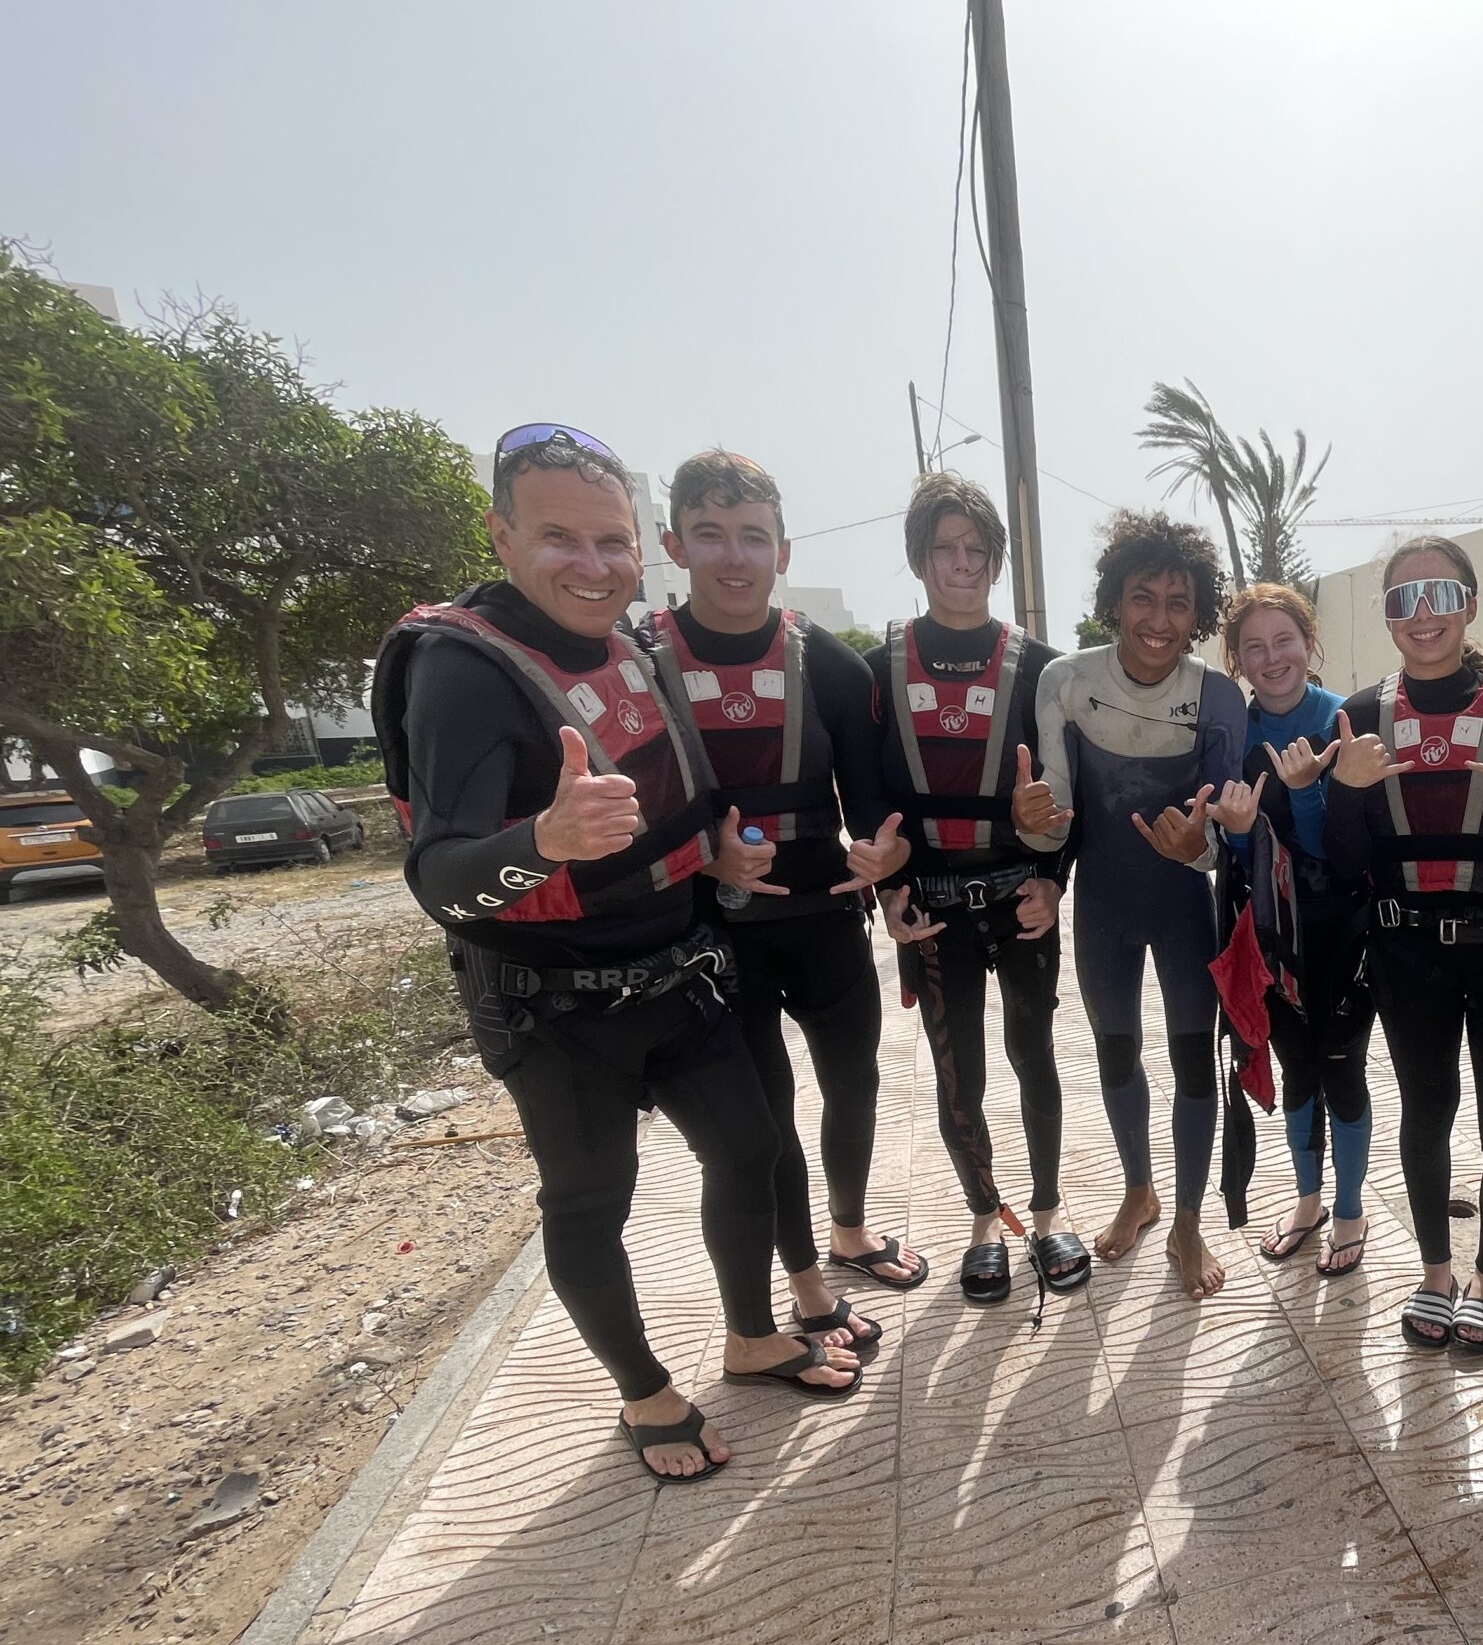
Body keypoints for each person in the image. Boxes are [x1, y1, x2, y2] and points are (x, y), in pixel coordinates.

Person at [371, 424, 857, 1486]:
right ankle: (645, 1393)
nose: (589, 566)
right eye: (558, 539)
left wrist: (717, 844)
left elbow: (684, 788)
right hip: (552, 1007)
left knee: (750, 1145)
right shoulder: (460, 668)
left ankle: (752, 1335)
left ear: (640, 550)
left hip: (680, 970)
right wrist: (540, 840)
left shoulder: (632, 648)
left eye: (608, 542)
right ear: (502, 537)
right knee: (592, 1200)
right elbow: (438, 878)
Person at [648, 449, 924, 1356]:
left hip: (823, 923)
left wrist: (886, 857)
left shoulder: (834, 668)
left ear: (784, 550)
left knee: (854, 1088)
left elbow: (875, 800)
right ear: (675, 544)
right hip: (715, 940)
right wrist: (704, 854)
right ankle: (805, 1283)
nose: (735, 558)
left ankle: (847, 1232)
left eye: (754, 538)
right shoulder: (644, 664)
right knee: (763, 1122)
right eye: (712, 536)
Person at [1323, 535, 1483, 1354]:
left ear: (1469, 603)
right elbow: (1350, 862)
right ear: (1389, 616)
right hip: (1410, 959)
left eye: (1440, 597)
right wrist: (1346, 796)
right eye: (1404, 601)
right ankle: (1436, 1272)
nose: (1423, 616)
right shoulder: (1359, 716)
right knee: (1426, 1115)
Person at [1014, 511, 1246, 1300]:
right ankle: (1139, 1189)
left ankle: (1186, 1218)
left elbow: (1224, 838)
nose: (1159, 619)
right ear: (1115, 597)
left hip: (1184, 910)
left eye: (1179, 603)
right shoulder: (1066, 682)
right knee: (1117, 1054)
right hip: (1104, 907)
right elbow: (1057, 814)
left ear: (1199, 612)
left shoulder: (1217, 696)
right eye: (1143, 597)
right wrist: (1033, 826)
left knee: (1189, 1063)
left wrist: (1201, 850)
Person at [870, 472, 1084, 1306]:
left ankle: (1048, 1206)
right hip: (931, 910)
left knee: (1033, 1056)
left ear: (996, 560)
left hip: (1018, 900)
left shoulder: (1040, 668)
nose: (961, 564)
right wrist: (883, 894)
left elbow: (1073, 794)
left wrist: (1054, 882)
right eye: (944, 548)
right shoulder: (877, 669)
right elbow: (863, 796)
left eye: (976, 550)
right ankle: (984, 1218)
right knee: (959, 1074)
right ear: (920, 558)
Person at [1216, 584, 1372, 1276]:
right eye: (1255, 646)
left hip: (1345, 932)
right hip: (1274, 937)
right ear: (1237, 660)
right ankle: (1309, 1200)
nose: (1272, 657)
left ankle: (1349, 1210)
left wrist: (1309, 793)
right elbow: (1224, 849)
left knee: (1342, 1069)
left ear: (1310, 643)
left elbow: (1346, 850)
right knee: (1298, 1071)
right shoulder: (1233, 737)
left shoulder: (1344, 721)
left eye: (1285, 640)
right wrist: (1239, 835)